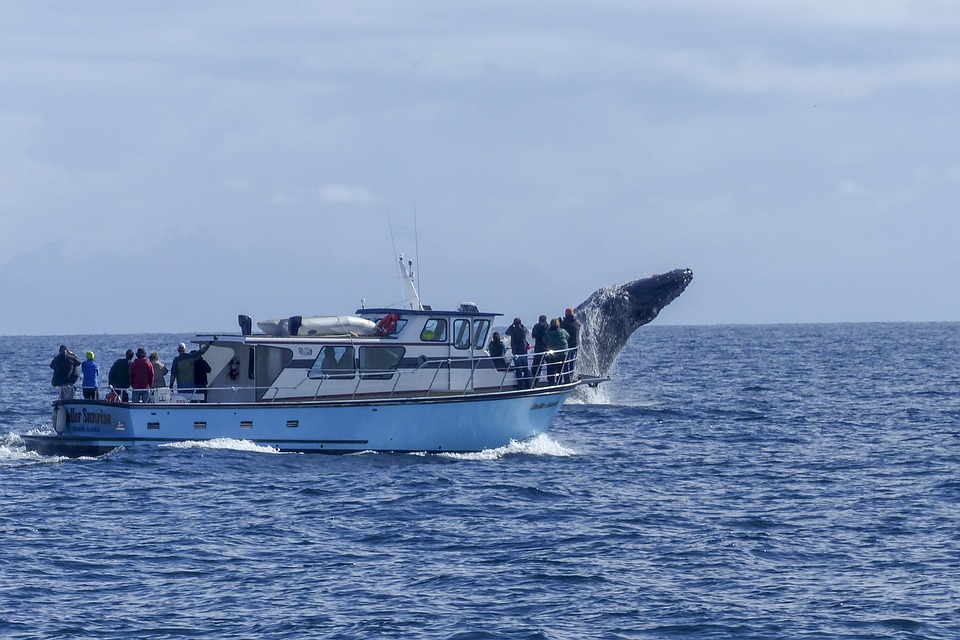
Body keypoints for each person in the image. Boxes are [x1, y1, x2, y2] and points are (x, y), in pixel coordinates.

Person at [504, 317, 531, 389]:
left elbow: (506, 332)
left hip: (516, 350)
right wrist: (522, 325)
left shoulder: (512, 329)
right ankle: (528, 384)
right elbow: (527, 332)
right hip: (523, 349)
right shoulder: (522, 329)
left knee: (518, 368)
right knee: (525, 368)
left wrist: (511, 325)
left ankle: (520, 384)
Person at [544, 318, 570, 386]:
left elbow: (544, 339)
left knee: (551, 368)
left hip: (553, 353)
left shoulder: (548, 332)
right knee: (560, 369)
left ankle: (551, 383)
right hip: (562, 352)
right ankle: (559, 382)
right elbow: (568, 336)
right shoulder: (563, 331)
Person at [560, 307, 581, 383]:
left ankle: (567, 379)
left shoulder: (565, 322)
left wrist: (561, 322)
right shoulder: (577, 322)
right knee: (572, 362)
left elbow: (565, 328)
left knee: (566, 362)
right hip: (575, 344)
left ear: (566, 313)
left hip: (568, 345)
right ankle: (571, 376)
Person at [531, 314, 549, 386]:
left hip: (538, 348)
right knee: (550, 365)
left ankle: (535, 382)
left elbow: (533, 335)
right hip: (547, 348)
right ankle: (551, 381)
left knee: (536, 366)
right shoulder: (548, 326)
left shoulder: (536, 326)